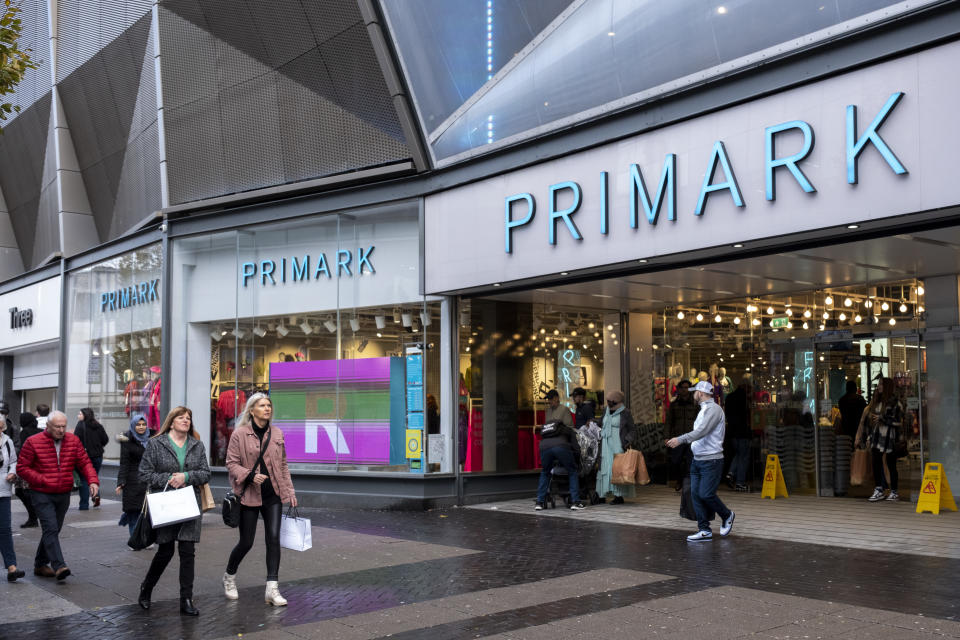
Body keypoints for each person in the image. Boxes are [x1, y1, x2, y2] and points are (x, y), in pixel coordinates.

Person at [224, 393, 298, 605]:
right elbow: (231, 462)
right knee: (246, 542)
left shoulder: (277, 433)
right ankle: (229, 576)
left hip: (272, 494)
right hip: (249, 495)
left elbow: (283, 465)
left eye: (269, 405)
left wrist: (290, 492)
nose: (267, 408)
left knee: (273, 539)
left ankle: (272, 589)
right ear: (252, 410)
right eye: (262, 405)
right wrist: (250, 475)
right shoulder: (240, 434)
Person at [138, 407, 211, 616]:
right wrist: (170, 479)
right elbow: (144, 474)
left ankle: (186, 599)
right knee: (165, 551)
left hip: (189, 504)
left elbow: (206, 473)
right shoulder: (155, 443)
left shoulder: (197, 445)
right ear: (171, 422)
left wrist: (186, 477)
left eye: (189, 418)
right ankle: (147, 588)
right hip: (166, 504)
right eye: (181, 417)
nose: (186, 420)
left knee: (188, 551)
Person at [16, 411, 99, 580]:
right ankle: (59, 566)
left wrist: (93, 481)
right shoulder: (33, 442)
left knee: (53, 529)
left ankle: (40, 564)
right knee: (50, 528)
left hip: (63, 492)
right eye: (57, 427)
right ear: (47, 426)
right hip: (41, 492)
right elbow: (22, 468)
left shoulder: (73, 440)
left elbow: (84, 462)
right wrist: (41, 479)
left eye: (64, 426)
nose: (61, 430)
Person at [666, 381, 735, 541]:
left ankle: (727, 515)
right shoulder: (705, 409)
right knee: (696, 494)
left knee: (705, 494)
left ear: (701, 393)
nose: (692, 394)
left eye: (694, 391)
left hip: (711, 460)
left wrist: (680, 439)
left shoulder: (713, 410)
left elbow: (701, 431)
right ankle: (704, 530)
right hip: (698, 459)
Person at [855, 377, 904, 502]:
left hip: (890, 438)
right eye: (878, 384)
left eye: (881, 384)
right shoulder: (877, 402)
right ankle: (879, 489)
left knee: (891, 464)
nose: (878, 386)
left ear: (887, 386)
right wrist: (865, 436)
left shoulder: (895, 403)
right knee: (876, 462)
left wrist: (882, 419)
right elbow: (868, 421)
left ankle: (894, 491)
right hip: (877, 436)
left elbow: (899, 421)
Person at [535, 407, 584, 511]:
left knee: (545, 472)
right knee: (572, 471)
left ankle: (539, 502)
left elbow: (545, 443)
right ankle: (576, 502)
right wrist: (576, 460)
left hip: (544, 447)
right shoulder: (567, 429)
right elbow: (576, 448)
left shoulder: (547, 431)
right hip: (561, 447)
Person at [595, 390, 637, 505]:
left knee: (616, 469)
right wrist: (593, 423)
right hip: (605, 443)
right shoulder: (605, 410)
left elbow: (632, 429)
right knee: (605, 468)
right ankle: (602, 494)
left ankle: (618, 496)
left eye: (609, 401)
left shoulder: (625, 412)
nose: (607, 403)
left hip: (618, 443)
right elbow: (600, 423)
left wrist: (627, 440)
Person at [116, 414, 151, 541]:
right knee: (134, 511)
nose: (141, 427)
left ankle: (146, 538)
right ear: (133, 425)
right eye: (138, 424)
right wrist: (121, 482)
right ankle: (135, 540)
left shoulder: (152, 438)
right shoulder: (127, 439)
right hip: (133, 480)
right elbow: (124, 462)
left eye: (143, 424)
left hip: (149, 479)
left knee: (149, 512)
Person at [1, 416, 25, 581]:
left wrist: (12, 472)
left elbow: (14, 462)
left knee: (4, 529)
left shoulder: (7, 441)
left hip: (3, 490)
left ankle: (11, 567)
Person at [664, 379, 697, 490]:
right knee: (675, 460)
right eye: (682, 387)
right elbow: (669, 421)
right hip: (677, 436)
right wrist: (667, 436)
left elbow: (700, 420)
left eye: (687, 387)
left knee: (690, 460)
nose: (684, 389)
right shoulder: (674, 404)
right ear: (679, 389)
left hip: (691, 436)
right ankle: (679, 480)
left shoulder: (695, 403)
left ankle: (687, 483)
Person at [74, 408, 108, 510]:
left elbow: (75, 441)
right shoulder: (98, 425)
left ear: (85, 415)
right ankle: (96, 499)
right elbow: (105, 439)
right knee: (94, 478)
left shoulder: (80, 425)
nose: (78, 416)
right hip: (97, 457)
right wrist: (97, 446)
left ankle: (84, 505)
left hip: (85, 457)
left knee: (84, 480)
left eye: (80, 414)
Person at [724, 375, 753, 491]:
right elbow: (747, 415)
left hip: (732, 431)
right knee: (744, 456)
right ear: (745, 387)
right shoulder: (745, 398)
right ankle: (740, 482)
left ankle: (730, 473)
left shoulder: (730, 397)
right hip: (742, 431)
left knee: (739, 454)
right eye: (750, 387)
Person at [14, 411, 41, 528]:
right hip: (38, 467)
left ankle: (33, 517)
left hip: (27, 468)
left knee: (22, 492)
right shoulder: (40, 431)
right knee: (27, 492)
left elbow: (22, 451)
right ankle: (34, 516)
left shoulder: (24, 432)